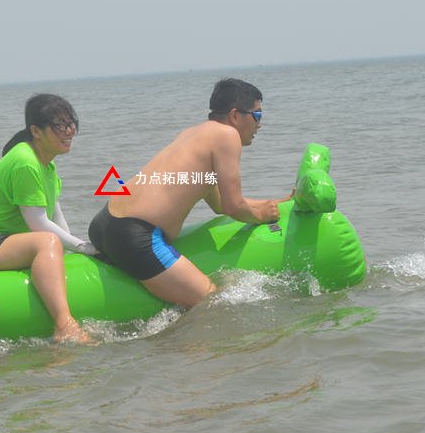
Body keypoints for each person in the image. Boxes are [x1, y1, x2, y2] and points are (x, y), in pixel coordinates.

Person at [88, 78, 288, 307]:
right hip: (136, 235)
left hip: (105, 223)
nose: (259, 125)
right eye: (257, 115)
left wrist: (277, 203)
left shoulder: (193, 134)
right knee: (212, 302)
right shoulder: (227, 135)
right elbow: (233, 207)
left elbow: (220, 204)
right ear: (235, 115)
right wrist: (260, 216)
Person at [0, 94, 94, 343]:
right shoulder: (25, 161)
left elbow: (55, 213)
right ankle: (64, 325)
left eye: (71, 123)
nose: (69, 130)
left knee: (52, 242)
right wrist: (82, 246)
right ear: (36, 131)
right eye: (59, 125)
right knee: (47, 241)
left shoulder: (46, 165)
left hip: (2, 244)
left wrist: (74, 253)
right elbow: (38, 223)